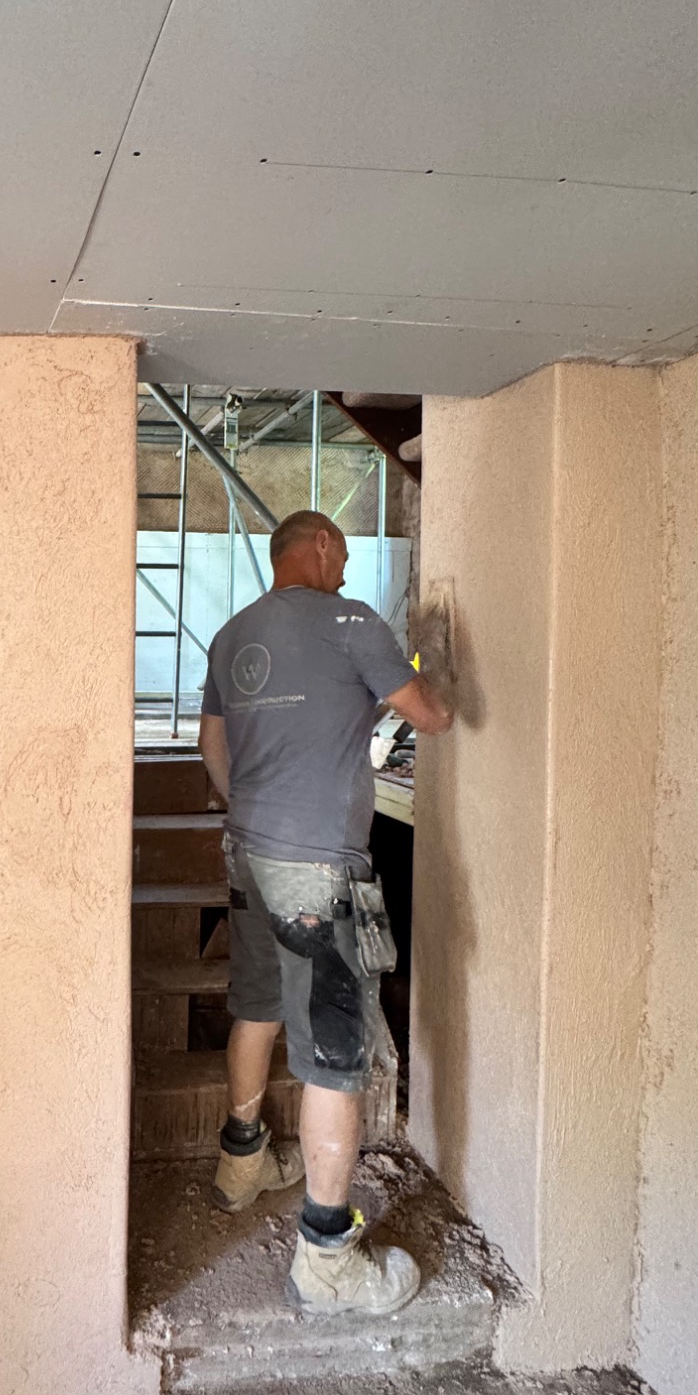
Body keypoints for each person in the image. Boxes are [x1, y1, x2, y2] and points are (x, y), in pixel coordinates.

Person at [197, 508, 452, 1315]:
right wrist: (437, 658)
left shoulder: (232, 635)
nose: (343, 569)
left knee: (257, 1008)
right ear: (321, 546)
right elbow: (433, 716)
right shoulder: (351, 623)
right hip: (318, 873)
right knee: (333, 1061)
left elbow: (213, 747)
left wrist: (255, 812)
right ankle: (328, 1260)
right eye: (340, 555)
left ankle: (242, 1164)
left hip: (249, 852)